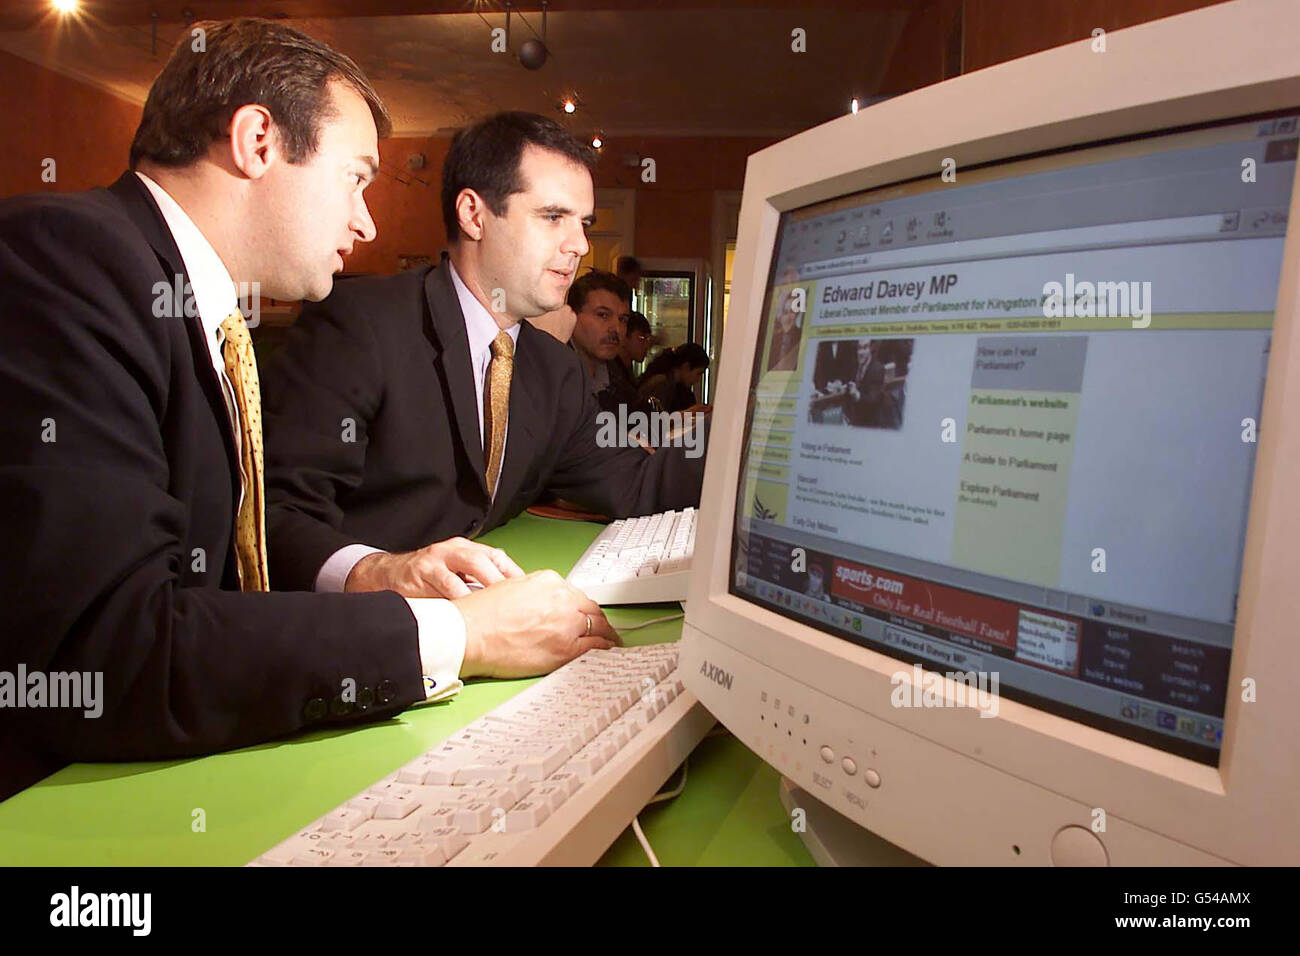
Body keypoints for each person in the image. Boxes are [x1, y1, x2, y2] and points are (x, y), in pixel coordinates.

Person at [0, 21, 617, 801]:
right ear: (258, 141)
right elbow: (107, 652)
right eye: (355, 178)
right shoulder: (66, 259)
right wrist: (467, 633)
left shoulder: (201, 308)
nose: (367, 222)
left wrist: (378, 573)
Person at [260, 111, 707, 597]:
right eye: (553, 217)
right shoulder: (359, 323)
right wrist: (381, 572)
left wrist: (755, 451)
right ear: (474, 215)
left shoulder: (554, 370)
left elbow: (633, 483)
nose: (579, 244)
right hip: (357, 635)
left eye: (584, 223)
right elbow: (277, 515)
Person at [567, 269, 632, 396]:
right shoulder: (550, 373)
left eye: (623, 319)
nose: (616, 329)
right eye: (603, 315)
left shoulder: (617, 374)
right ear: (572, 315)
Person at [637, 343, 711, 413]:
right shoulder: (661, 384)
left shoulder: (675, 387)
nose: (698, 380)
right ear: (686, 367)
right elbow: (656, 421)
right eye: (698, 373)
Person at [844, 339, 887, 427]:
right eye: (859, 348)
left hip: (872, 424)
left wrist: (857, 395)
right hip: (855, 422)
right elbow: (849, 393)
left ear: (870, 349)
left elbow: (873, 400)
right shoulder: (854, 366)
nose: (861, 352)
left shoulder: (877, 368)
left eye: (865, 348)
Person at [766, 289, 803, 371]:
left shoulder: (802, 338)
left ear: (797, 314)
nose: (788, 318)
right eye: (785, 312)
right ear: (781, 315)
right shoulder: (773, 339)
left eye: (792, 312)